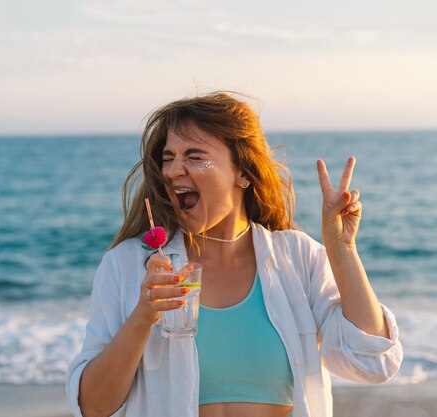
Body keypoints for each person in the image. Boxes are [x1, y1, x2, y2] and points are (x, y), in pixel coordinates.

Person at [66, 92, 403, 417]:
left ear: (242, 172)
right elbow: (93, 407)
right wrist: (143, 316)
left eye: (195, 156)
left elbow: (371, 363)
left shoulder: (298, 258)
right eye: (168, 158)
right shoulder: (127, 265)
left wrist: (342, 250)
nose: (172, 171)